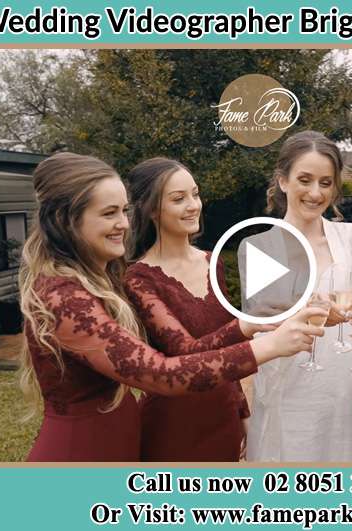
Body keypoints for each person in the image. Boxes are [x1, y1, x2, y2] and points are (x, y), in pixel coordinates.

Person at [17, 152, 326, 462]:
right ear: (64, 220)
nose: (123, 224)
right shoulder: (63, 297)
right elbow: (161, 372)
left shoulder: (94, 282)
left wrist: (240, 407)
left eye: (124, 211)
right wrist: (271, 344)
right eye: (109, 213)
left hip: (120, 448)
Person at [243, 130, 352, 462]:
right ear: (283, 180)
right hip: (285, 396)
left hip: (343, 394)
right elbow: (259, 335)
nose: (316, 193)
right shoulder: (260, 249)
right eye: (305, 179)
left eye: (326, 182)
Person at [124, 157, 268, 461]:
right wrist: (243, 326)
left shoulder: (211, 261)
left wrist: (241, 412)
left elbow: (229, 355)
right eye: (179, 199)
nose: (193, 205)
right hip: (172, 425)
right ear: (151, 209)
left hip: (222, 417)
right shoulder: (139, 278)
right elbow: (184, 352)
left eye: (195, 193)